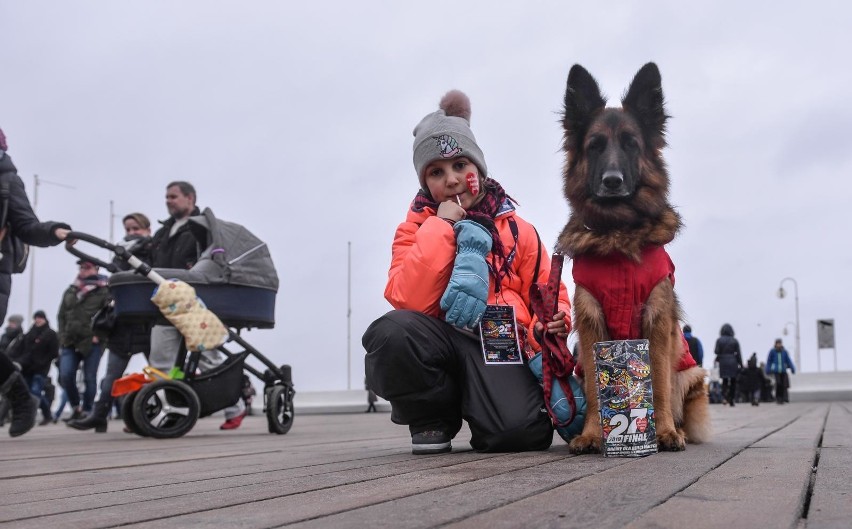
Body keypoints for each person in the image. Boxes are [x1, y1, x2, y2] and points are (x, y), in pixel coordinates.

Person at [362, 90, 569, 455]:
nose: (453, 180)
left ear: (479, 169)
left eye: (461, 165)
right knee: (392, 333)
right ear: (425, 184)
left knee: (519, 435)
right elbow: (406, 298)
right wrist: (441, 228)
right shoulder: (414, 229)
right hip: (440, 337)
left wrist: (556, 318)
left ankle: (489, 406)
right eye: (437, 172)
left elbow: (547, 291)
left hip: (499, 338)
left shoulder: (519, 230)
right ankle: (431, 418)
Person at [148, 182, 246, 430]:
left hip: (195, 302)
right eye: (166, 197)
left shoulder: (202, 228)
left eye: (174, 196)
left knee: (206, 357)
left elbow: (214, 259)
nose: (168, 201)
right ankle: (154, 408)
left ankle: (235, 407)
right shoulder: (163, 233)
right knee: (160, 361)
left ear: (190, 198)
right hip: (166, 303)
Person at [0, 127, 72, 437]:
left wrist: (54, 230)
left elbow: (26, 225)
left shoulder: (7, 180)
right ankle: (20, 394)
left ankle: (21, 396)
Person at [68, 213, 154, 432]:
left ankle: (152, 413)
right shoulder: (119, 256)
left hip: (150, 323)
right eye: (128, 229)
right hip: (123, 324)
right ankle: (99, 414)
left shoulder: (155, 251)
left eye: (136, 229)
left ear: (147, 230)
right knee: (111, 377)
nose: (132, 233)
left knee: (159, 372)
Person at [57, 260, 110, 420]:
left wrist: (99, 336)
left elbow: (109, 315)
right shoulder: (71, 290)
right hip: (70, 340)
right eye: (81, 267)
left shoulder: (104, 290)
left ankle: (88, 410)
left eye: (87, 267)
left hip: (92, 341)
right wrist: (62, 336)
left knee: (89, 378)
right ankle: (76, 407)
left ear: (96, 269)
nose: (83, 270)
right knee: (65, 375)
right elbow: (61, 315)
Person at [8, 311, 59, 424]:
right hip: (27, 368)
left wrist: (44, 362)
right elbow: (22, 350)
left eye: (40, 318)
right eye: (36, 318)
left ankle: (41, 415)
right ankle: (46, 414)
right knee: (28, 393)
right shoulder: (29, 334)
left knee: (35, 392)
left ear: (44, 319)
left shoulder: (50, 334)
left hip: (41, 369)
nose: (38, 320)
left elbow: (54, 352)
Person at [713, 323, 743, 407]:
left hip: (723, 362)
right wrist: (740, 364)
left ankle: (724, 397)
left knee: (725, 381)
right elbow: (739, 354)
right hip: (733, 361)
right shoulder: (734, 340)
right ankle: (732, 399)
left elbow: (716, 351)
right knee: (733, 381)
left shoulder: (719, 340)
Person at [766, 338, 796, 404]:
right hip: (776, 371)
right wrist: (768, 369)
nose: (779, 345)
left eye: (780, 343)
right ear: (775, 344)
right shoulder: (772, 352)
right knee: (778, 384)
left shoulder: (784, 352)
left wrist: (792, 368)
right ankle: (778, 398)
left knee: (783, 384)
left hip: (783, 370)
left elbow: (788, 360)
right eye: (778, 344)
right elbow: (769, 361)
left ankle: (783, 398)